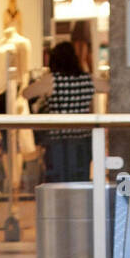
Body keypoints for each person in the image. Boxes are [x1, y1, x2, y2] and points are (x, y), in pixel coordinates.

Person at [22, 40, 108, 182]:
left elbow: (26, 93)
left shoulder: (51, 80)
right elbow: (108, 87)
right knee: (81, 178)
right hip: (82, 137)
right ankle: (80, 204)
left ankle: (60, 204)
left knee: (57, 180)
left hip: (57, 138)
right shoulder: (87, 80)